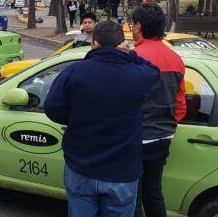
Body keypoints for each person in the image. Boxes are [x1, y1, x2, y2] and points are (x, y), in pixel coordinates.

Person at [44, 21, 160, 217]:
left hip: (81, 167)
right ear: (122, 44)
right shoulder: (137, 75)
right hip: (122, 172)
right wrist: (130, 55)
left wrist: (74, 118)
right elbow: (154, 70)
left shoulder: (74, 72)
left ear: (94, 43)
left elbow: (52, 109)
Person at [132, 3, 186, 217]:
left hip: (136, 137)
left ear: (138, 26)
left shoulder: (134, 57)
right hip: (163, 136)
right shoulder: (176, 59)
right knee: (153, 193)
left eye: (133, 23)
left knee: (132, 195)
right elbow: (180, 104)